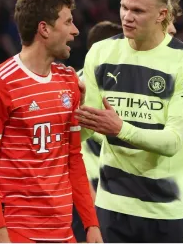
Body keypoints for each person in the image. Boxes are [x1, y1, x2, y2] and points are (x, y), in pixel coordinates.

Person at [75, 0, 183, 243]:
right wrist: (68, 113)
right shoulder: (101, 54)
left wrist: (120, 128)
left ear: (162, 14)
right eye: (124, 7)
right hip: (113, 207)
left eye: (137, 10)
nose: (127, 16)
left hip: (170, 208)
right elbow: (86, 131)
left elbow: (173, 142)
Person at [0, 0, 102, 243]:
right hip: (15, 227)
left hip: (62, 228)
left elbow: (73, 158)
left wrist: (90, 223)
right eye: (68, 22)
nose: (75, 31)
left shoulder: (69, 81)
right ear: (44, 29)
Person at [72, 20, 123, 242]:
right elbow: (74, 146)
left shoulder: (116, 86)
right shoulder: (77, 86)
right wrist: (89, 198)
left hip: (112, 196)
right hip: (89, 196)